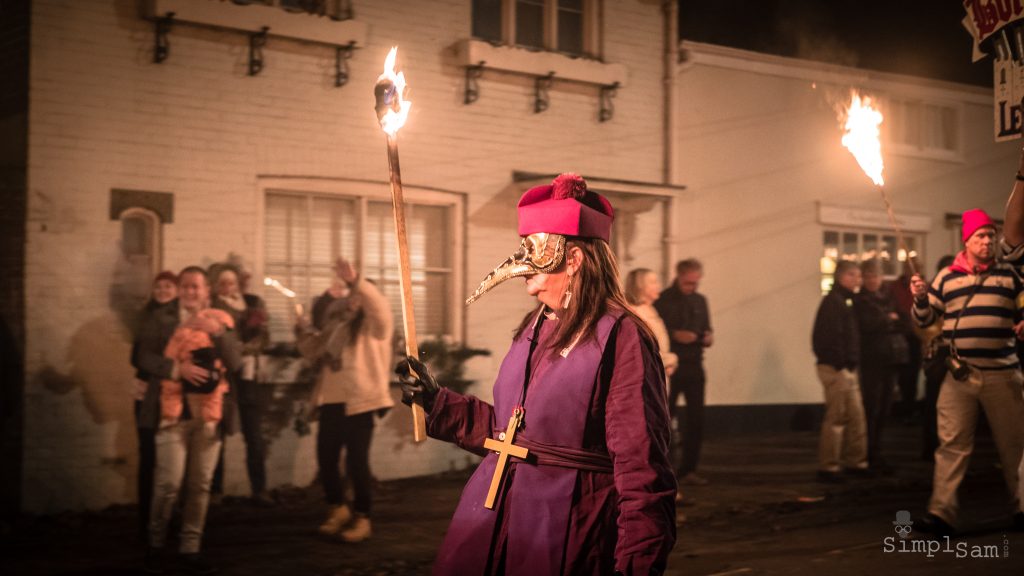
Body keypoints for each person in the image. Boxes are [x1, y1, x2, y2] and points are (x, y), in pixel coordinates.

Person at [398, 173, 676, 575]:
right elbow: (512, 432)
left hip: (571, 528)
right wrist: (439, 403)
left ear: (574, 259)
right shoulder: (537, 323)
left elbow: (642, 466)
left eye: (536, 253)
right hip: (497, 518)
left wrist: (638, 564)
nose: (524, 274)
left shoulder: (623, 337)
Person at [910, 208, 1024, 536]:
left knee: (1014, 445)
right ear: (967, 241)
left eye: (991, 235)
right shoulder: (947, 276)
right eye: (981, 236)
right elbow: (925, 321)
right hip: (960, 375)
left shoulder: (1010, 275)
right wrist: (919, 298)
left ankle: (1022, 507)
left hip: (1002, 374)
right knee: (951, 445)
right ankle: (942, 514)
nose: (988, 241)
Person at [137, 266, 243, 573]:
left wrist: (218, 333)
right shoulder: (161, 318)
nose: (191, 292)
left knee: (201, 484)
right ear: (180, 290)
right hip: (173, 412)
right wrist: (175, 370)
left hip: (209, 415)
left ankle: (190, 546)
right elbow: (142, 357)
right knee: (168, 482)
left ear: (206, 291)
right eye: (186, 286)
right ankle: (155, 541)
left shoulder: (221, 319)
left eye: (197, 287)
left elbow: (235, 361)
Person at [296, 258, 394, 543]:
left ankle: (362, 517)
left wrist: (357, 282)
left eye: (357, 296)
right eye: (351, 297)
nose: (353, 301)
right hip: (331, 400)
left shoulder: (375, 328)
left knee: (357, 462)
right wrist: (301, 330)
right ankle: (337, 508)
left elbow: (381, 311)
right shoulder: (337, 325)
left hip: (361, 400)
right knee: (326, 458)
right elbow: (313, 351)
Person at [209, 263, 273, 506]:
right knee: (219, 434)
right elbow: (220, 341)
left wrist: (245, 347)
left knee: (254, 436)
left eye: (231, 282)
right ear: (216, 287)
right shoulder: (213, 308)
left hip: (248, 379)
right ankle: (215, 490)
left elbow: (263, 338)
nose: (228, 287)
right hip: (224, 378)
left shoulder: (252, 304)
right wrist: (239, 349)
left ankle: (259, 489)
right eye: (223, 283)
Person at [654, 258, 713, 486]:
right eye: (689, 283)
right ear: (679, 276)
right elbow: (658, 332)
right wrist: (675, 335)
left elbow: (707, 329)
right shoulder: (663, 301)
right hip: (671, 367)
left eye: (696, 283)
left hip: (695, 364)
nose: (693, 288)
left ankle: (689, 469)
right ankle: (667, 467)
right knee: (666, 417)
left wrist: (706, 337)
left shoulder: (700, 300)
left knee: (696, 418)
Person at [130, 270, 177, 540]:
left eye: (168, 286)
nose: (162, 290)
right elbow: (136, 356)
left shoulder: (181, 317)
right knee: (149, 456)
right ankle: (147, 519)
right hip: (146, 393)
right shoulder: (145, 317)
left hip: (170, 393)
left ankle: (167, 517)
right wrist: (169, 368)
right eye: (158, 286)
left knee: (169, 460)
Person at [811, 260, 869, 483]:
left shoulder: (845, 301)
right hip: (838, 368)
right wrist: (841, 364)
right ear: (842, 277)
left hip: (846, 366)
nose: (858, 280)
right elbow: (829, 337)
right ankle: (830, 466)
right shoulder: (834, 302)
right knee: (837, 416)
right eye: (854, 275)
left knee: (855, 416)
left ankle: (855, 461)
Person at [853, 259, 907, 473]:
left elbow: (905, 321)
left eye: (875, 276)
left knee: (885, 407)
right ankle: (868, 452)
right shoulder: (861, 300)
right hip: (872, 358)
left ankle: (877, 450)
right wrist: (888, 319)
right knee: (872, 406)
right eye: (867, 277)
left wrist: (889, 319)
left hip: (891, 357)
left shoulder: (888, 296)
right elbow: (868, 324)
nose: (872, 280)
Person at [918, 255, 954, 462]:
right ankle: (931, 445)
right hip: (937, 353)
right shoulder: (932, 293)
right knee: (934, 402)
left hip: (951, 353)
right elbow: (922, 323)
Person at [624, 268, 679, 382]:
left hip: (656, 375)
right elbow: (641, 352)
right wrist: (670, 360)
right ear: (639, 286)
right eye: (653, 282)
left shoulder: (650, 309)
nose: (658, 286)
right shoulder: (635, 313)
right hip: (644, 380)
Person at [886, 260, 922, 422]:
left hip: (917, 336)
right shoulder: (894, 287)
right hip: (901, 335)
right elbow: (893, 309)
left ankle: (909, 407)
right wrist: (905, 319)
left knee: (913, 373)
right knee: (901, 373)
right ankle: (899, 408)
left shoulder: (923, 286)